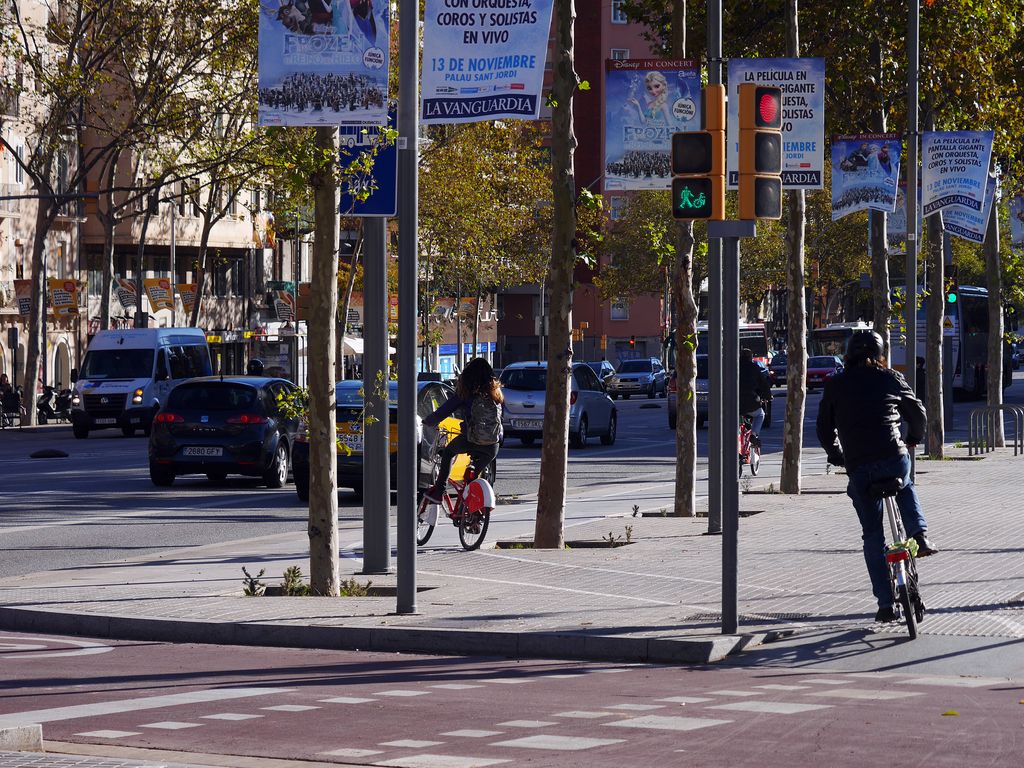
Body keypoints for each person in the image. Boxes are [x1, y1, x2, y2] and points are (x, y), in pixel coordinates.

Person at [816, 331, 938, 624]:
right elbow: (917, 412)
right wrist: (913, 438)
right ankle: (919, 535)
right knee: (906, 483)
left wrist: (837, 456)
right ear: (881, 353)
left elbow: (823, 428)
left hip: (859, 466)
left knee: (872, 535)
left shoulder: (835, 384)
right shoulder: (890, 378)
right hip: (893, 457)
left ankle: (885, 605)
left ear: (847, 355)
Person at [422, 357, 503, 504]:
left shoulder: (466, 394)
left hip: (471, 441)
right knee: (471, 477)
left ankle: (439, 491)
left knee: (448, 453)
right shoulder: (496, 394)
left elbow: (443, 411)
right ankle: (470, 513)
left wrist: (427, 421)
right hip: (492, 447)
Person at [739, 348, 772, 438]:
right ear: (751, 357)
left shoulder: (733, 367)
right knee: (760, 414)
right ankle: (754, 435)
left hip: (733, 402)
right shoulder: (754, 367)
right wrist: (768, 396)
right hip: (750, 400)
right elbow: (764, 384)